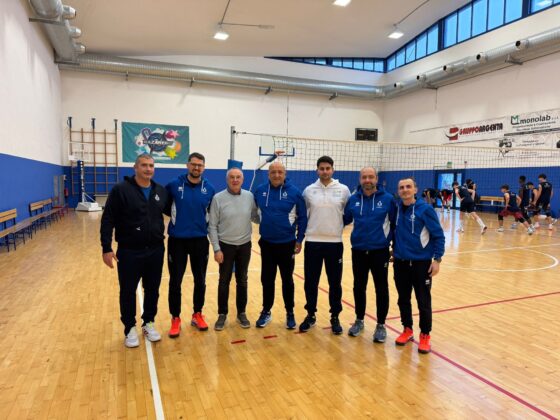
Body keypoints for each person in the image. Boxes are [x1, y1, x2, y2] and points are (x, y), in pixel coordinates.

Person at [100, 153, 170, 348]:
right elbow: (108, 219)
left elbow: (172, 211)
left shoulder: (159, 190)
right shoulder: (121, 190)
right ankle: (129, 327)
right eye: (144, 165)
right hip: (129, 251)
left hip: (156, 250)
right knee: (128, 291)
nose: (148, 169)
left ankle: (148, 322)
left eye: (151, 166)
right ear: (135, 168)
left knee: (152, 289)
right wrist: (106, 247)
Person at [391, 177, 445, 354]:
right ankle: (407, 329)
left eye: (408, 186)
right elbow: (395, 232)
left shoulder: (425, 209)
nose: (405, 190)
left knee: (423, 301)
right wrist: (395, 250)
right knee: (403, 299)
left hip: (421, 264)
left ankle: (425, 334)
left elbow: (438, 235)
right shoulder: (396, 209)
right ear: (398, 191)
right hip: (400, 263)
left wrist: (437, 260)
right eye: (401, 187)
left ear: (415, 189)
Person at [165, 152, 215, 337]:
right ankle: (175, 318)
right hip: (177, 240)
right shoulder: (173, 185)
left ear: (204, 168)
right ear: (187, 165)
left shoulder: (209, 189)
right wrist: (178, 221)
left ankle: (197, 314)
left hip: (200, 240)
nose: (196, 168)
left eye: (200, 165)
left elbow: (211, 213)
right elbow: (165, 206)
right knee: (175, 281)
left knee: (200, 280)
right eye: (193, 164)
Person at [299, 156, 351, 335]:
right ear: (317, 170)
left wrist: (337, 226)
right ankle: (310, 314)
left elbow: (349, 214)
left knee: (335, 283)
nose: (325, 171)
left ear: (332, 170)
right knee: (311, 282)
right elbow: (302, 214)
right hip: (312, 242)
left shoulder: (343, 190)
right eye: (321, 168)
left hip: (334, 243)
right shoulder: (308, 191)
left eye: (328, 168)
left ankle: (335, 316)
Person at [253, 161, 307, 329]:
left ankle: (290, 312)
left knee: (287, 280)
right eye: (273, 172)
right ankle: (266, 311)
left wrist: (299, 240)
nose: (276, 175)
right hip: (267, 244)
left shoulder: (295, 193)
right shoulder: (260, 191)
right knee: (267, 279)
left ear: (285, 174)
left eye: (280, 172)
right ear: (268, 174)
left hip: (287, 245)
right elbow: (254, 212)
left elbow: (303, 218)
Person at [343, 167, 394, 342]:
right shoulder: (353, 199)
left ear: (376, 179)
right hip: (358, 250)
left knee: (381, 288)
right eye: (364, 177)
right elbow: (345, 219)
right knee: (359, 286)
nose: (367, 180)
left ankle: (381, 325)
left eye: (371, 177)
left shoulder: (388, 199)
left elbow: (395, 224)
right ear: (360, 179)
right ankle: (359, 320)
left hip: (380, 251)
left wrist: (395, 247)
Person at [208, 168, 258, 330]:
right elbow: (212, 226)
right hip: (225, 246)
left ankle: (241, 313)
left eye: (238, 177)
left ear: (242, 180)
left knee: (242, 280)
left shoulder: (249, 197)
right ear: (227, 179)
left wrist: (270, 216)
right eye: (232, 177)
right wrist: (216, 249)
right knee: (224, 281)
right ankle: (222, 314)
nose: (235, 180)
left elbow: (255, 217)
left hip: (245, 245)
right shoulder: (218, 198)